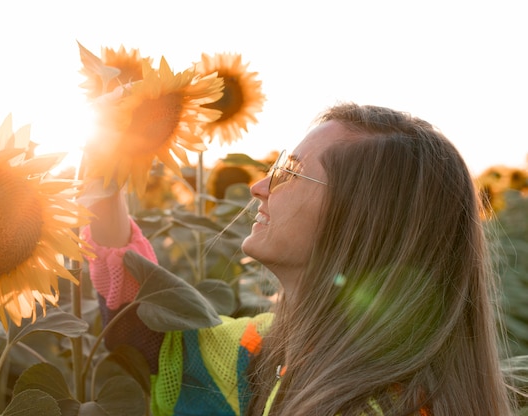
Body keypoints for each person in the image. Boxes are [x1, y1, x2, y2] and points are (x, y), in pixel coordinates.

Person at [82, 102, 517, 415]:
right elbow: (150, 336)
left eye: (289, 171)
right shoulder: (266, 350)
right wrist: (105, 171)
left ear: (360, 219)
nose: (260, 187)